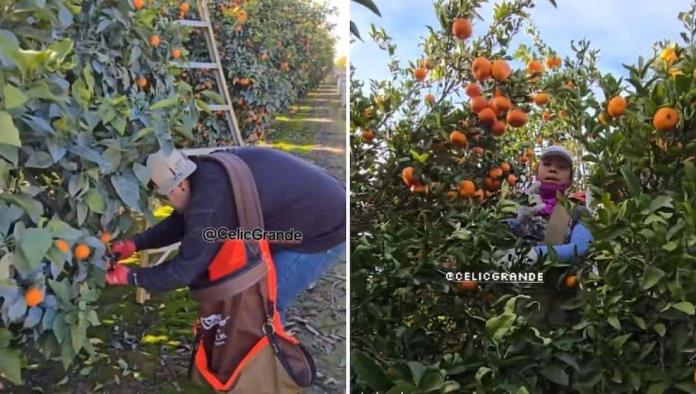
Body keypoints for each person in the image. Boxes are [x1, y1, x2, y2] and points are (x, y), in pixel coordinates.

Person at [105, 147, 346, 324]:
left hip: (323, 227)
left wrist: (130, 276)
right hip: (301, 212)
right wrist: (135, 244)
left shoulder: (210, 201)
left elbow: (185, 270)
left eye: (164, 197)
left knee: (262, 308)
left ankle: (265, 377)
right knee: (247, 297)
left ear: (179, 186)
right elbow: (184, 221)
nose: (166, 203)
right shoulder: (205, 174)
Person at [495, 145, 593, 325]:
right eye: (547, 163)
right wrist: (516, 219)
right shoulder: (517, 204)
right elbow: (493, 236)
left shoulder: (576, 211)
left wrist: (536, 254)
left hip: (561, 303)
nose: (553, 169)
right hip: (516, 298)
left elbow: (581, 248)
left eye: (562, 167)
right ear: (537, 171)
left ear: (570, 180)